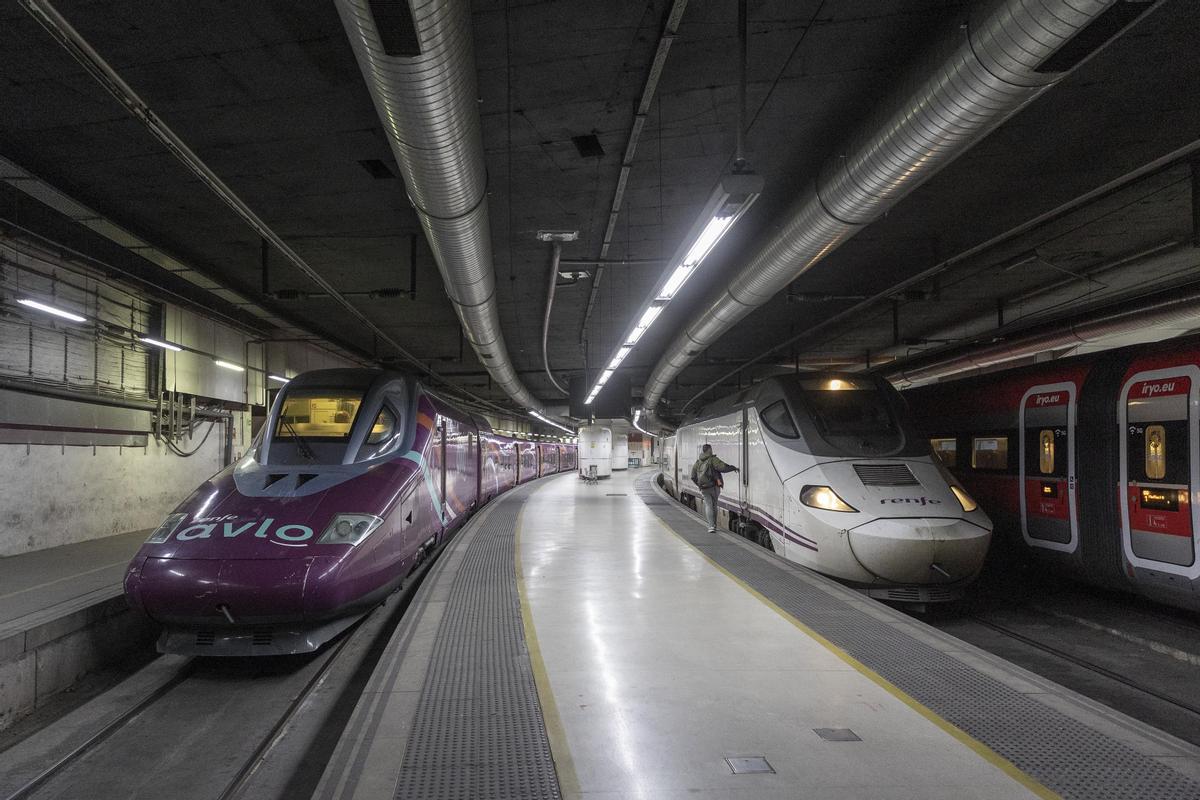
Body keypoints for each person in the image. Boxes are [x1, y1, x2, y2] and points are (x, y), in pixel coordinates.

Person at [689, 444, 738, 533]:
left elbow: (692, 476)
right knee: (714, 505)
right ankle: (714, 525)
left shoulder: (698, 462)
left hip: (704, 488)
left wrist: (699, 485)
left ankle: (711, 526)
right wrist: (733, 468)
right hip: (714, 486)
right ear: (709, 450)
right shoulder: (713, 459)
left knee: (708, 505)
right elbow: (723, 468)